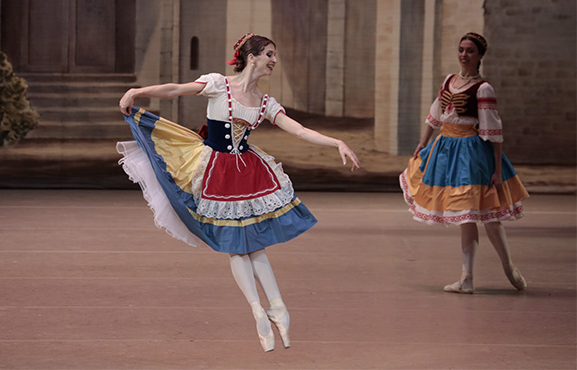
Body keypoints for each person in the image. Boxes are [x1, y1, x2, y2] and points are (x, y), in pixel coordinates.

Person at [117, 33, 359, 351]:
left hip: (247, 172)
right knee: (238, 244)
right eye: (269, 54)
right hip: (215, 169)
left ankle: (273, 307)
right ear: (252, 56)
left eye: (275, 54)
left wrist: (336, 142)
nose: (274, 60)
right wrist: (138, 90)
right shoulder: (219, 84)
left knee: (251, 243)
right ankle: (264, 308)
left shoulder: (265, 102)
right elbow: (177, 89)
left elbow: (298, 130)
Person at [399, 32, 530, 294]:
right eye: (461, 49)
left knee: (490, 217)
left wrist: (495, 169)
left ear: (480, 56)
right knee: (465, 217)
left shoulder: (483, 88)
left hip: (471, 153)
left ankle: (509, 267)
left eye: (470, 51)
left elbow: (493, 130)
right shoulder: (450, 80)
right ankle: (466, 277)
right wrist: (423, 142)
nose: (464, 55)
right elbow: (436, 114)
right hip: (447, 151)